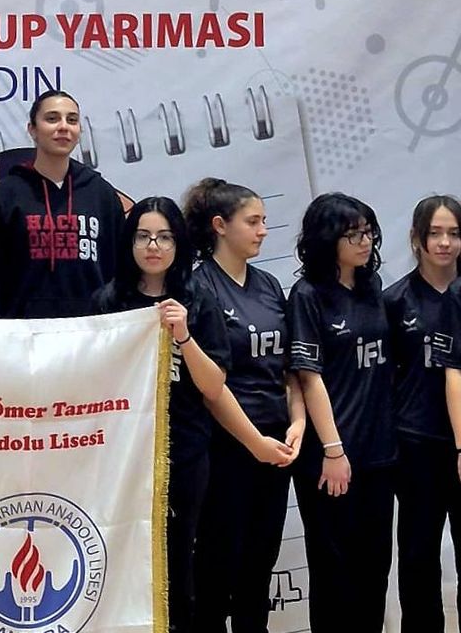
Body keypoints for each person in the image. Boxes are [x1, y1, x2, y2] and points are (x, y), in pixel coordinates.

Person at [91, 196, 231, 633]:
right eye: (144, 236)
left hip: (184, 453)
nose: (153, 246)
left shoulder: (198, 301)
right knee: (126, 563)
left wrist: (184, 335)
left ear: (178, 244)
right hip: (123, 456)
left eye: (165, 237)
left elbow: (213, 385)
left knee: (179, 565)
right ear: (129, 242)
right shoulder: (108, 301)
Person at [183, 178, 305, 631]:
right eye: (253, 221)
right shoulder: (199, 287)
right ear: (220, 225)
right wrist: (254, 442)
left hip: (276, 446)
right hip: (226, 449)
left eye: (264, 221)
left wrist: (296, 422)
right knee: (218, 567)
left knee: (260, 564)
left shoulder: (268, 284)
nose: (262, 231)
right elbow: (211, 386)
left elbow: (289, 368)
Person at [288, 193, 395, 633]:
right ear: (327, 239)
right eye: (353, 234)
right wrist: (333, 450)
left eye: (368, 232)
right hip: (330, 457)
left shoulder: (372, 286)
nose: (364, 241)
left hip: (379, 452)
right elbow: (308, 377)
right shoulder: (308, 295)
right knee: (335, 571)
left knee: (375, 566)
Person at [385, 195, 461, 632]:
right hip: (417, 443)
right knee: (418, 553)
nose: (445, 242)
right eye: (435, 233)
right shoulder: (395, 301)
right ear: (417, 238)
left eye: (453, 233)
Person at [0, 89, 124, 318]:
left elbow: (118, 270)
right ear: (32, 129)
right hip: (23, 329)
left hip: (91, 329)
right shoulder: (5, 196)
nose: (63, 127)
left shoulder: (102, 195)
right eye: (52, 118)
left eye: (72, 120)